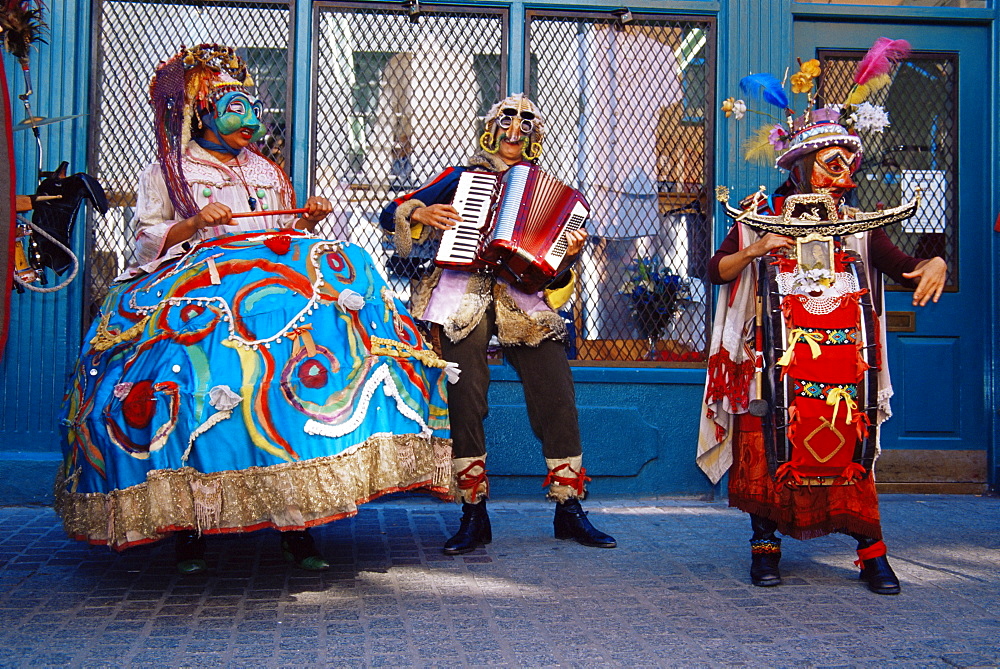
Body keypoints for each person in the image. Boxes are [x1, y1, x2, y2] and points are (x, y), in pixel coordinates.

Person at [56, 44, 452, 574]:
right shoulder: (168, 171)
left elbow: (279, 241)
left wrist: (308, 221)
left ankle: (298, 522)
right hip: (199, 300)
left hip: (271, 305)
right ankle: (191, 527)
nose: (249, 119)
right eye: (235, 107)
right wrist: (195, 224)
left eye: (251, 107)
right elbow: (147, 240)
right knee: (196, 396)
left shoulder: (266, 172)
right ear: (203, 113)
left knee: (292, 397)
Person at [698, 98, 947, 594]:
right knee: (766, 451)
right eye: (832, 163)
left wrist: (936, 262)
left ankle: (872, 555)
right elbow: (714, 271)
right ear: (801, 166)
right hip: (770, 364)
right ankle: (765, 550)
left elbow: (907, 268)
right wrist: (754, 249)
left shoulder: (857, 224)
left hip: (842, 370)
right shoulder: (758, 216)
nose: (843, 174)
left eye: (848, 163)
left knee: (851, 456)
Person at [379, 93, 616, 554]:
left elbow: (553, 273)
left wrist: (568, 256)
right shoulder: (459, 177)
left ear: (534, 136)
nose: (515, 132)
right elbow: (390, 214)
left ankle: (569, 508)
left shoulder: (552, 190)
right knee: (466, 398)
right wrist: (421, 213)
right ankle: (474, 513)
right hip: (461, 294)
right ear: (491, 129)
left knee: (556, 390)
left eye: (525, 125)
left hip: (521, 300)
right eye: (507, 122)